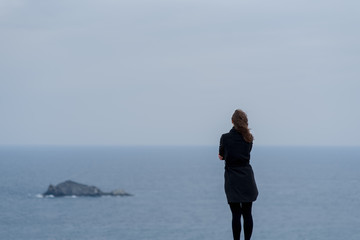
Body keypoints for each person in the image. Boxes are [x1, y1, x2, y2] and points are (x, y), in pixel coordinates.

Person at [218, 109, 258, 240]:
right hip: (247, 177)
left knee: (235, 214)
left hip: (232, 178)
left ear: (232, 121)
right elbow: (246, 153)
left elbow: (221, 156)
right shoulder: (249, 138)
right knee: (247, 213)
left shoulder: (225, 138)